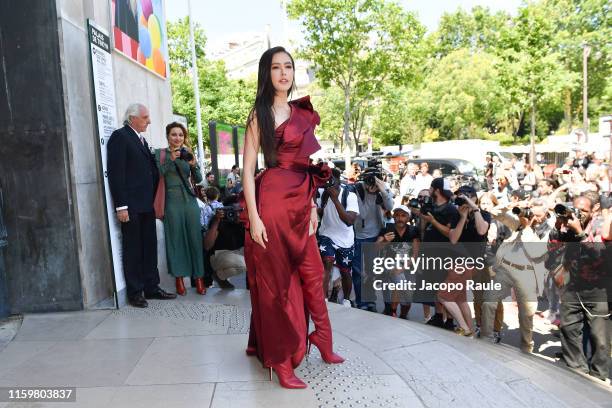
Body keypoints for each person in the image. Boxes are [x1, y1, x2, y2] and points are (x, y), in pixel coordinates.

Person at [239, 47, 344, 389]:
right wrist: (253, 218)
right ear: (265, 73)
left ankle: (323, 340)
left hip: (301, 202)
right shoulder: (259, 113)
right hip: (271, 203)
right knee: (277, 286)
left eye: (288, 67)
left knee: (313, 275)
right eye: (276, 67)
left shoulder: (301, 113)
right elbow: (248, 169)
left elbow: (307, 166)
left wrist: (313, 206)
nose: (283, 73)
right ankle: (282, 361)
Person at [107, 103, 176, 308]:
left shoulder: (142, 140)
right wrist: (121, 207)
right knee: (133, 250)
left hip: (147, 205)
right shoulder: (120, 137)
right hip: (131, 206)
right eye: (145, 117)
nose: (149, 121)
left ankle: (151, 287)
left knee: (149, 247)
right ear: (132, 118)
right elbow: (116, 174)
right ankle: (135, 292)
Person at [547, 195, 610, 381]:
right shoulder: (567, 228)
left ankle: (598, 375)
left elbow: (601, 256)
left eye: (583, 210)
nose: (579, 214)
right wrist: (557, 229)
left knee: (600, 338)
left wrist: (580, 233)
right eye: (576, 209)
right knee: (568, 330)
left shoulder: (601, 227)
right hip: (572, 287)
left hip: (598, 290)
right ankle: (578, 370)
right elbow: (551, 254)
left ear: (594, 209)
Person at [480, 200, 550, 353]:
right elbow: (496, 213)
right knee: (488, 302)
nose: (533, 217)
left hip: (527, 274)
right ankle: (486, 337)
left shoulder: (548, 230)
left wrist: (526, 228)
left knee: (526, 314)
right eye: (531, 213)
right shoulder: (520, 223)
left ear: (545, 215)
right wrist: (510, 205)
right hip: (504, 269)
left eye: (537, 215)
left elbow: (535, 252)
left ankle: (526, 347)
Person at [155, 122, 205, 296]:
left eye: (181, 135)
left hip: (190, 201)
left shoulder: (188, 152)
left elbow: (198, 179)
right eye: (174, 134)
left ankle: (199, 278)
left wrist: (193, 163)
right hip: (171, 201)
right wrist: (172, 160)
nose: (177, 138)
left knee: (195, 239)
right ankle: (179, 278)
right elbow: (158, 173)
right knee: (175, 240)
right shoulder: (160, 154)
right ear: (167, 136)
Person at [446, 186, 491, 336]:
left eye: (465, 197)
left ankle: (465, 328)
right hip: (457, 262)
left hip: (472, 264)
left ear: (474, 198)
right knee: (460, 299)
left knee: (443, 295)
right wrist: (463, 217)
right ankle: (470, 332)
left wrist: (475, 209)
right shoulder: (457, 215)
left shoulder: (484, 214)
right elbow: (453, 239)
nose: (461, 201)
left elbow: (482, 230)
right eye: (460, 197)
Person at [418, 177, 460, 330]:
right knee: (434, 286)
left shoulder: (451, 210)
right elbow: (424, 228)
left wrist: (432, 220)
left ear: (436, 190)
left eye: (431, 187)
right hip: (430, 252)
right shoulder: (431, 206)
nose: (429, 190)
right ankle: (437, 315)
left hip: (444, 254)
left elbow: (449, 233)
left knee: (444, 288)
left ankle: (449, 320)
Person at [352, 168, 395, 310]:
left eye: (374, 180)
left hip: (375, 236)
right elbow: (361, 213)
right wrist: (367, 192)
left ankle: (370, 301)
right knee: (358, 272)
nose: (372, 183)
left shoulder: (382, 190)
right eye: (369, 179)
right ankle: (361, 301)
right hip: (357, 235)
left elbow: (390, 206)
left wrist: (383, 190)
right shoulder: (357, 189)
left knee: (371, 271)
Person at [316, 168, 359, 302]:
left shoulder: (349, 195)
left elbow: (349, 220)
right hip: (327, 234)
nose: (328, 183)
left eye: (331, 180)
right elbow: (320, 211)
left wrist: (335, 200)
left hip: (345, 239)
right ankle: (324, 300)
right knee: (326, 263)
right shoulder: (322, 193)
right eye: (325, 181)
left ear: (338, 180)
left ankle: (346, 300)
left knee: (345, 271)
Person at [377, 205, 420, 318]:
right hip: (389, 263)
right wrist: (385, 240)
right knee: (398, 276)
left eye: (403, 215)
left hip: (408, 264)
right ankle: (393, 310)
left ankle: (402, 314)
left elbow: (415, 255)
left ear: (408, 218)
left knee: (408, 296)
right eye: (397, 215)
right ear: (393, 216)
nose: (400, 218)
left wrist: (403, 268)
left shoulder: (413, 231)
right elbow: (376, 247)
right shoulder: (387, 229)